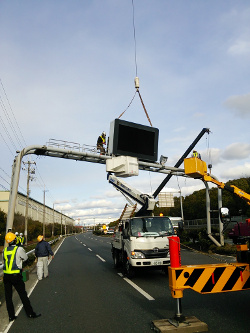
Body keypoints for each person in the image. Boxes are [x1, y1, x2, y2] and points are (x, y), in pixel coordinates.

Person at [3, 232, 41, 321]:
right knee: (23, 295)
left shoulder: (4, 250)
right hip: (16, 275)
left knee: (8, 297)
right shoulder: (19, 249)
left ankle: (11, 316)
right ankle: (30, 314)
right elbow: (26, 258)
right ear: (14, 240)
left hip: (6, 276)